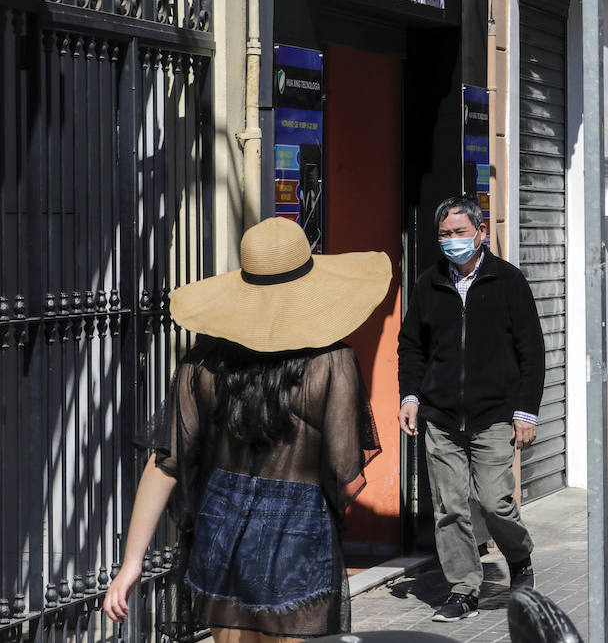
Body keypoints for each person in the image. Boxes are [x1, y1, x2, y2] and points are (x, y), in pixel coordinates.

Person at [102, 218, 392, 641]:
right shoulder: (331, 362)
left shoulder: (202, 364)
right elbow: (345, 466)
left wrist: (131, 564)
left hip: (221, 526)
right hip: (298, 529)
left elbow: (166, 463)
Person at [398, 196, 545, 622]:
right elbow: (411, 346)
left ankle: (518, 556)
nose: (452, 241)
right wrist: (410, 397)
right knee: (450, 507)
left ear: (480, 233)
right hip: (441, 416)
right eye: (444, 234)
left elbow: (531, 351)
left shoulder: (508, 281)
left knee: (496, 501)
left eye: (460, 232)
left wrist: (526, 412)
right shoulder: (429, 284)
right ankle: (464, 589)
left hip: (494, 414)